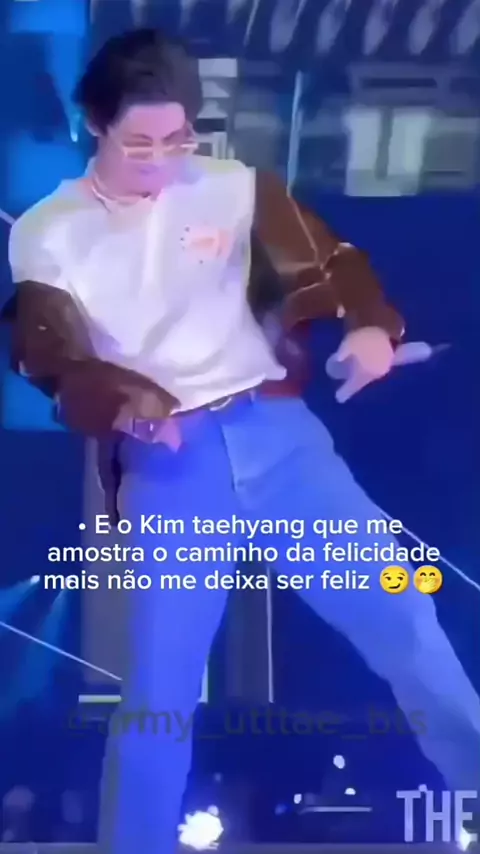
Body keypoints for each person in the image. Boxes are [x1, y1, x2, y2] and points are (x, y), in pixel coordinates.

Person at [6, 28, 479, 854]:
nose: (163, 159)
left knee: (406, 615)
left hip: (281, 440)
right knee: (160, 690)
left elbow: (332, 260)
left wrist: (369, 326)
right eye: (140, 142)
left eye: (178, 138)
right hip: (171, 461)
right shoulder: (51, 230)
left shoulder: (231, 186)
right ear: (96, 125)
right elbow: (50, 355)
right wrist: (123, 402)